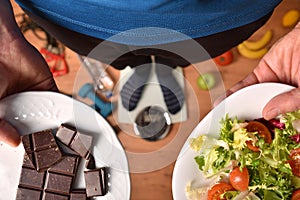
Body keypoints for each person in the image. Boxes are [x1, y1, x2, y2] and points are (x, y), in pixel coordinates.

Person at [0, 0, 299, 147]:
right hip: (72, 17)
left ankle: (168, 66)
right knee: (119, 59)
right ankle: (139, 67)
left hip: (221, 18)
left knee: (181, 56)